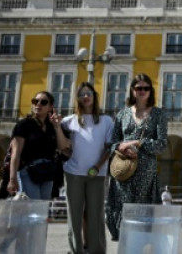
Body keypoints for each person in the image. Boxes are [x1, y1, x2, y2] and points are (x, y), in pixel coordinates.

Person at [106, 74, 168, 241]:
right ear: (132, 90)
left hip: (145, 174)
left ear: (151, 91)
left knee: (142, 220)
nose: (142, 91)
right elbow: (112, 143)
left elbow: (162, 145)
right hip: (123, 171)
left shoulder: (158, 114)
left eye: (146, 88)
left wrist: (139, 143)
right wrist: (121, 147)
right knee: (122, 214)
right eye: (138, 88)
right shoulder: (122, 114)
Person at [61, 82, 113, 254]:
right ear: (78, 99)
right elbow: (60, 143)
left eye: (88, 93)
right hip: (73, 173)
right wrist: (66, 153)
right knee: (74, 215)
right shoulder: (68, 121)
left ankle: (97, 250)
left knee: (95, 215)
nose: (85, 96)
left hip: (97, 174)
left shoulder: (106, 121)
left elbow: (109, 148)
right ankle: (75, 250)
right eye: (82, 94)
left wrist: (97, 167)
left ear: (94, 96)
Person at [7, 91, 70, 200]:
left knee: (43, 206)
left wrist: (57, 126)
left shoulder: (52, 126)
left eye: (43, 102)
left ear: (50, 107)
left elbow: (63, 147)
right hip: (28, 171)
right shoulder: (24, 125)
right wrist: (12, 179)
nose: (38, 104)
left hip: (47, 172)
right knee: (34, 204)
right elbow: (15, 154)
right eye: (35, 101)